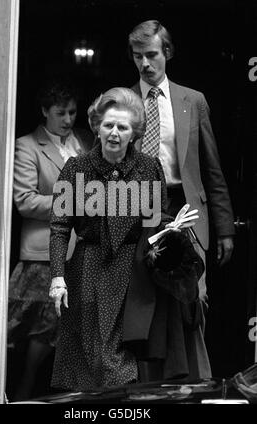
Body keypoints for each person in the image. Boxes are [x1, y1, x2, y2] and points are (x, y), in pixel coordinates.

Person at [127, 20, 235, 380]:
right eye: (138, 56)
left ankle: (194, 385)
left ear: (167, 53)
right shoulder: (124, 103)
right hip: (142, 210)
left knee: (194, 298)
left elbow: (212, 169)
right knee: (148, 307)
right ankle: (150, 390)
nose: (145, 63)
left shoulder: (193, 101)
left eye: (152, 55)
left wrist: (224, 229)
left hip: (186, 207)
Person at [49, 87, 172, 390]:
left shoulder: (148, 168)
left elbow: (156, 222)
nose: (114, 132)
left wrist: (169, 235)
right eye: (108, 125)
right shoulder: (76, 168)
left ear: (135, 132)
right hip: (88, 269)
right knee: (92, 357)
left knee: (121, 357)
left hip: (133, 272)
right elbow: (60, 227)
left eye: (123, 127)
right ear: (97, 127)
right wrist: (57, 277)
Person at [7, 78, 93, 401]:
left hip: (80, 250)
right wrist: (70, 202)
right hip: (43, 253)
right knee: (41, 332)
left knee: (69, 332)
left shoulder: (84, 141)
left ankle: (62, 393)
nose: (69, 119)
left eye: (72, 112)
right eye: (61, 113)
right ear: (45, 111)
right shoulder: (27, 145)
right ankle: (26, 387)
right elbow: (25, 200)